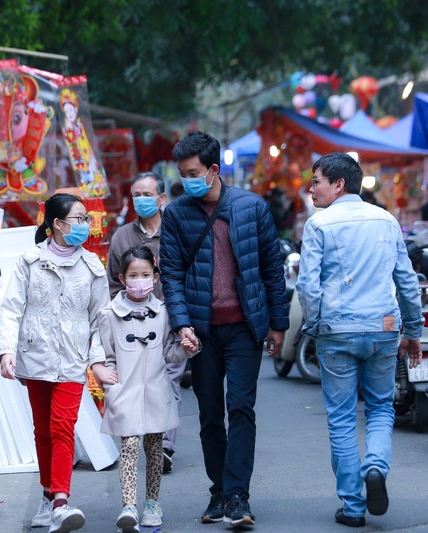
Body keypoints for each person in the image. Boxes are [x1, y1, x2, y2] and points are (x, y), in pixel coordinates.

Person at [160, 130, 289, 528]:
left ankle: (237, 496)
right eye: (181, 174)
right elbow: (172, 275)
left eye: (193, 172)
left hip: (244, 327)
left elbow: (272, 269)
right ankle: (219, 490)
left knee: (241, 408)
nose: (186, 180)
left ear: (214, 170)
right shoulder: (177, 214)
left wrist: (279, 324)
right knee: (210, 414)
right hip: (201, 332)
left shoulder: (252, 208)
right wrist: (182, 324)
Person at [295, 152, 424, 529]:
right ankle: (376, 468)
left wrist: (316, 324)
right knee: (382, 408)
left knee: (341, 418)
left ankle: (353, 507)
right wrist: (413, 332)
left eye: (316, 180)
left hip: (337, 331)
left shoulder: (320, 224)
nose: (311, 187)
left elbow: (307, 285)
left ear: (339, 184)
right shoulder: (386, 221)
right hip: (384, 329)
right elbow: (407, 282)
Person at [0, 193, 109, 533]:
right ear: (57, 224)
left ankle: (61, 501)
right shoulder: (29, 261)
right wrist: (6, 351)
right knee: (43, 431)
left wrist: (99, 361)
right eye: (79, 219)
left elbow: (100, 321)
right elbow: (11, 308)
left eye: (86, 218)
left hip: (72, 359)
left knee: (62, 427)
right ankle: (47, 497)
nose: (85, 225)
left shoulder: (92, 268)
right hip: (35, 355)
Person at [91, 246, 197, 532]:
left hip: (155, 390)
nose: (140, 280)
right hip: (124, 389)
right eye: (133, 275)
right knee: (128, 446)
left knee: (154, 447)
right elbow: (100, 348)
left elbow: (170, 354)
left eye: (146, 274)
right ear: (122, 278)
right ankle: (128, 506)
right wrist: (99, 368)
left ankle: (152, 502)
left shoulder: (163, 313)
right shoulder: (109, 314)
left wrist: (187, 349)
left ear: (156, 276)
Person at [106, 171, 185, 474]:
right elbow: (114, 282)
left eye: (147, 194)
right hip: (132, 324)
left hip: (171, 319)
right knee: (138, 382)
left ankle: (164, 444)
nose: (141, 200)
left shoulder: (176, 231)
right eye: (136, 194)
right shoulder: (123, 236)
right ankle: (138, 434)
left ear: (162, 198)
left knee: (169, 379)